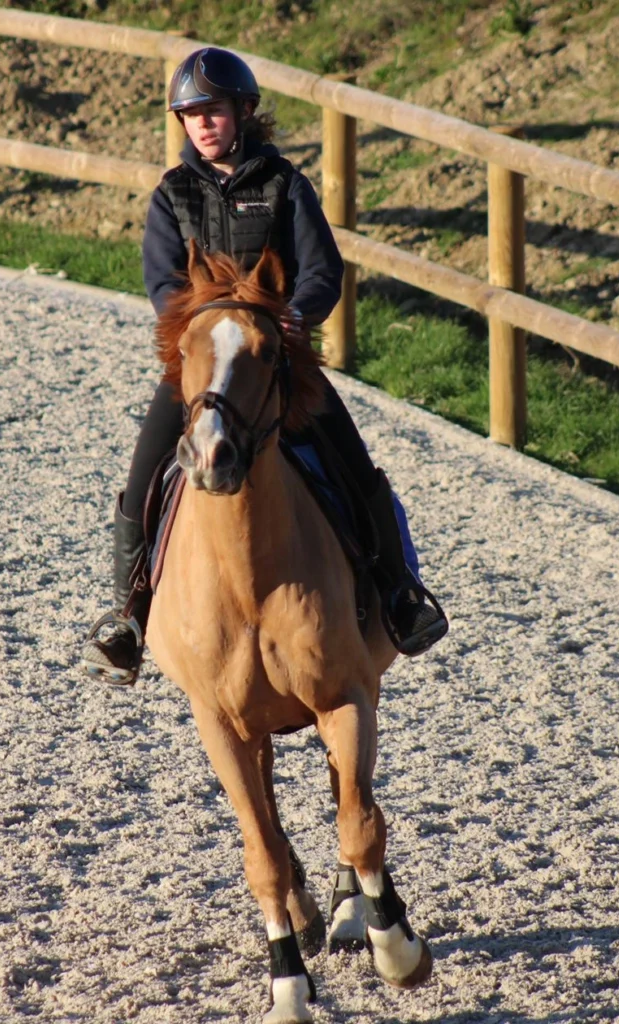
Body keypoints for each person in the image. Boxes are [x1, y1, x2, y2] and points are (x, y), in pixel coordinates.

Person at [83, 46, 448, 686]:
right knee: (143, 479)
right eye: (191, 114)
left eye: (213, 111)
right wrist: (201, 325)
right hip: (202, 366)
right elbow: (164, 285)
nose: (202, 124)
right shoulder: (172, 194)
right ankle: (129, 617)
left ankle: (399, 595)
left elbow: (322, 271)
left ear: (242, 112)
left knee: (357, 467)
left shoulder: (285, 185)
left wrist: (296, 315)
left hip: (276, 359)